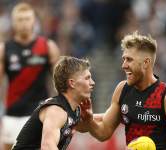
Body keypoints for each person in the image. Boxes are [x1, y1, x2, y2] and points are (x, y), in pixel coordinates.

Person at [81, 31, 166, 150]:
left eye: (129, 60)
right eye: (124, 59)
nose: (123, 65)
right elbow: (103, 132)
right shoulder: (122, 90)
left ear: (146, 63)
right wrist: (89, 121)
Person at [0, 2, 60, 150]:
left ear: (34, 21)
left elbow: (60, 82)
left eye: (27, 19)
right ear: (13, 23)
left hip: (39, 112)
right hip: (13, 113)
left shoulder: (48, 47)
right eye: (20, 20)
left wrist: (59, 108)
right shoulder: (4, 49)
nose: (24, 23)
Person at [12, 56, 95, 150]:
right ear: (72, 83)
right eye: (87, 78)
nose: (93, 83)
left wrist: (89, 118)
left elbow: (84, 127)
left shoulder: (74, 110)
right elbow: (47, 147)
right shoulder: (56, 110)